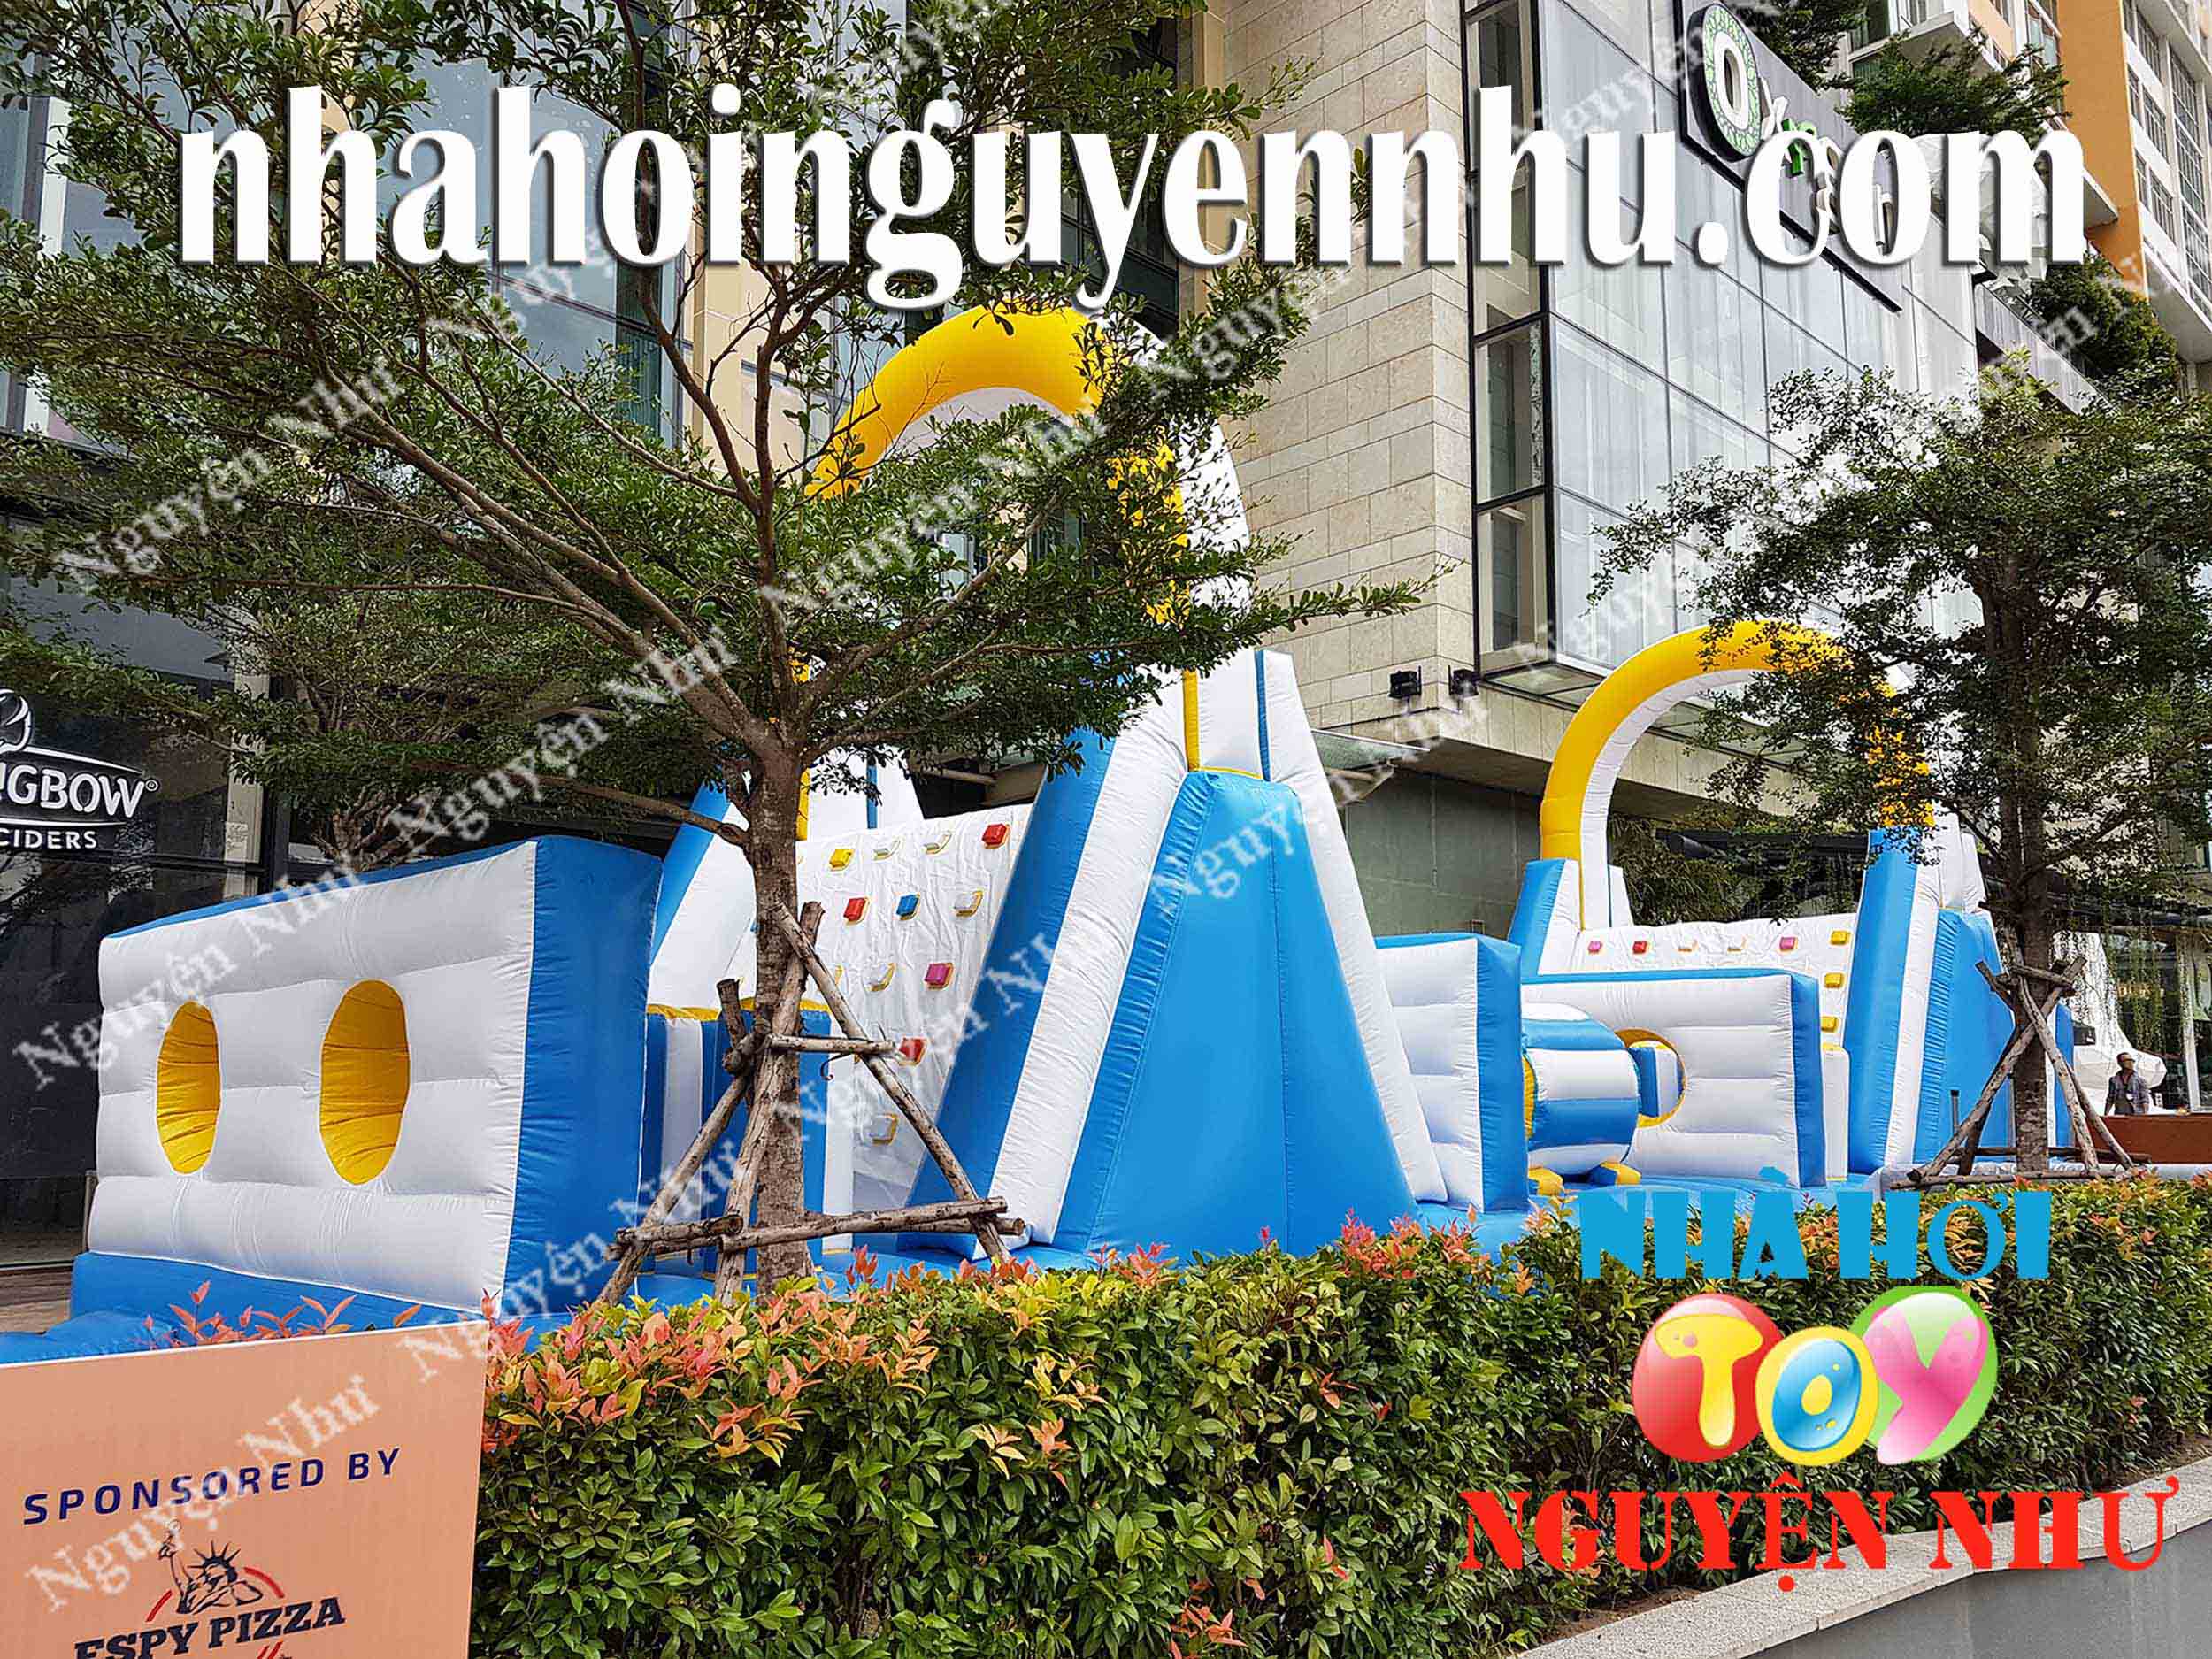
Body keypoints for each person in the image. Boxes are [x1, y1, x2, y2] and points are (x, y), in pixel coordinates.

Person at [2106, 1052, 2153, 1116]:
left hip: (2137, 1115)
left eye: (2132, 1060)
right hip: (2120, 1114)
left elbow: (2145, 1099)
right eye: (2127, 1060)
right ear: (2120, 1063)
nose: (2130, 1062)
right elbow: (2110, 1099)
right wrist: (2106, 1114)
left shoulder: (2141, 1081)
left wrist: (2145, 1114)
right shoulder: (2114, 1080)